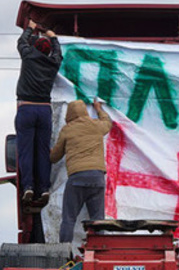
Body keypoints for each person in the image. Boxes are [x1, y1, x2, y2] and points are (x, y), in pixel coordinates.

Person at [50, 98, 112, 243]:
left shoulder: (67, 130)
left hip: (77, 178)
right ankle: (98, 252)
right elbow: (108, 123)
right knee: (98, 220)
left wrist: (50, 151)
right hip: (97, 178)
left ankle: (63, 252)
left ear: (69, 114)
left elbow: (54, 157)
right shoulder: (96, 125)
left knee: (69, 219)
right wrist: (98, 109)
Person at [15, 19, 63, 203]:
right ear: (48, 50)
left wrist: (30, 28)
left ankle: (28, 187)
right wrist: (54, 37)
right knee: (43, 151)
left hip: (26, 107)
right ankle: (44, 189)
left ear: (34, 47)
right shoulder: (53, 63)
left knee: (26, 150)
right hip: (44, 110)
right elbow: (58, 53)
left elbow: (21, 42)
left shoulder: (28, 56)